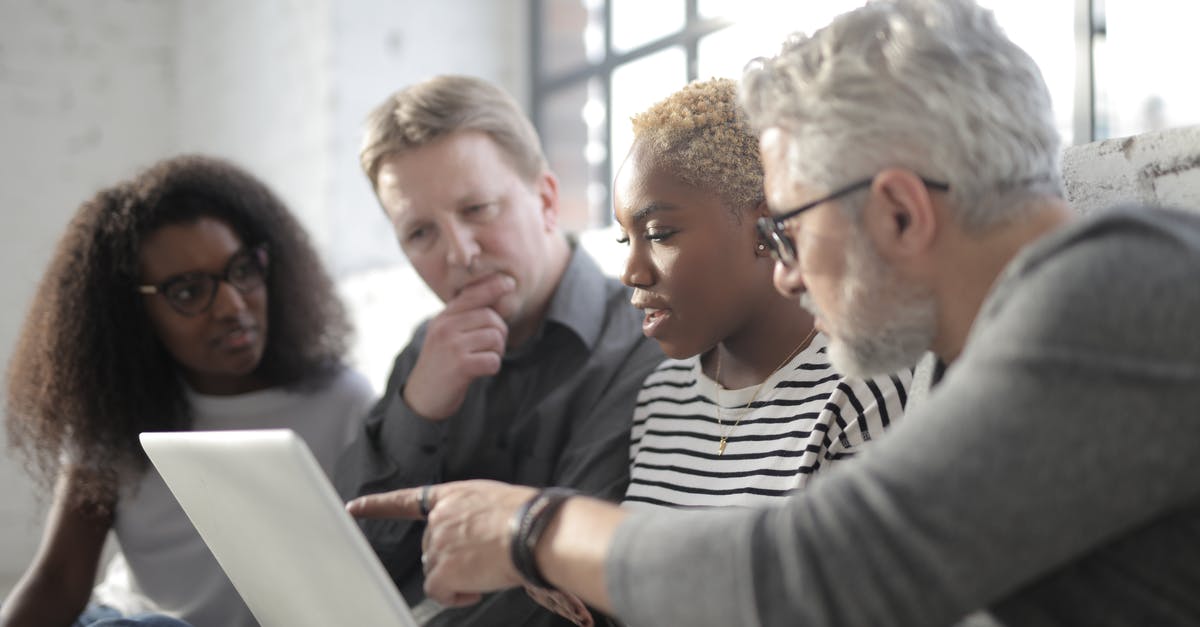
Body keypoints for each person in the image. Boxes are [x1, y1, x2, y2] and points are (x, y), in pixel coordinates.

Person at [347, 1, 1200, 625]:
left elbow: (825, 565)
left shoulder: (1119, 286)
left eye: (788, 227)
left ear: (899, 212)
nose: (785, 275)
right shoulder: (981, 352)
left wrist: (528, 523)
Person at [528, 76, 912, 626]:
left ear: (764, 227)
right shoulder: (663, 395)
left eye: (659, 233)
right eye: (624, 239)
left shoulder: (862, 388)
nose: (631, 271)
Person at [334, 75, 663, 626]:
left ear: (547, 200)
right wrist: (417, 413)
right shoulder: (425, 350)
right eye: (420, 233)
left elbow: (570, 593)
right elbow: (345, 561)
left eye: (478, 209)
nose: (459, 254)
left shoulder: (643, 342)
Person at [1, 155, 376, 627]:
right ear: (130, 316)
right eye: (187, 291)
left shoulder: (342, 404)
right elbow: (58, 579)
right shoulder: (113, 414)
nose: (232, 306)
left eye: (242, 270)